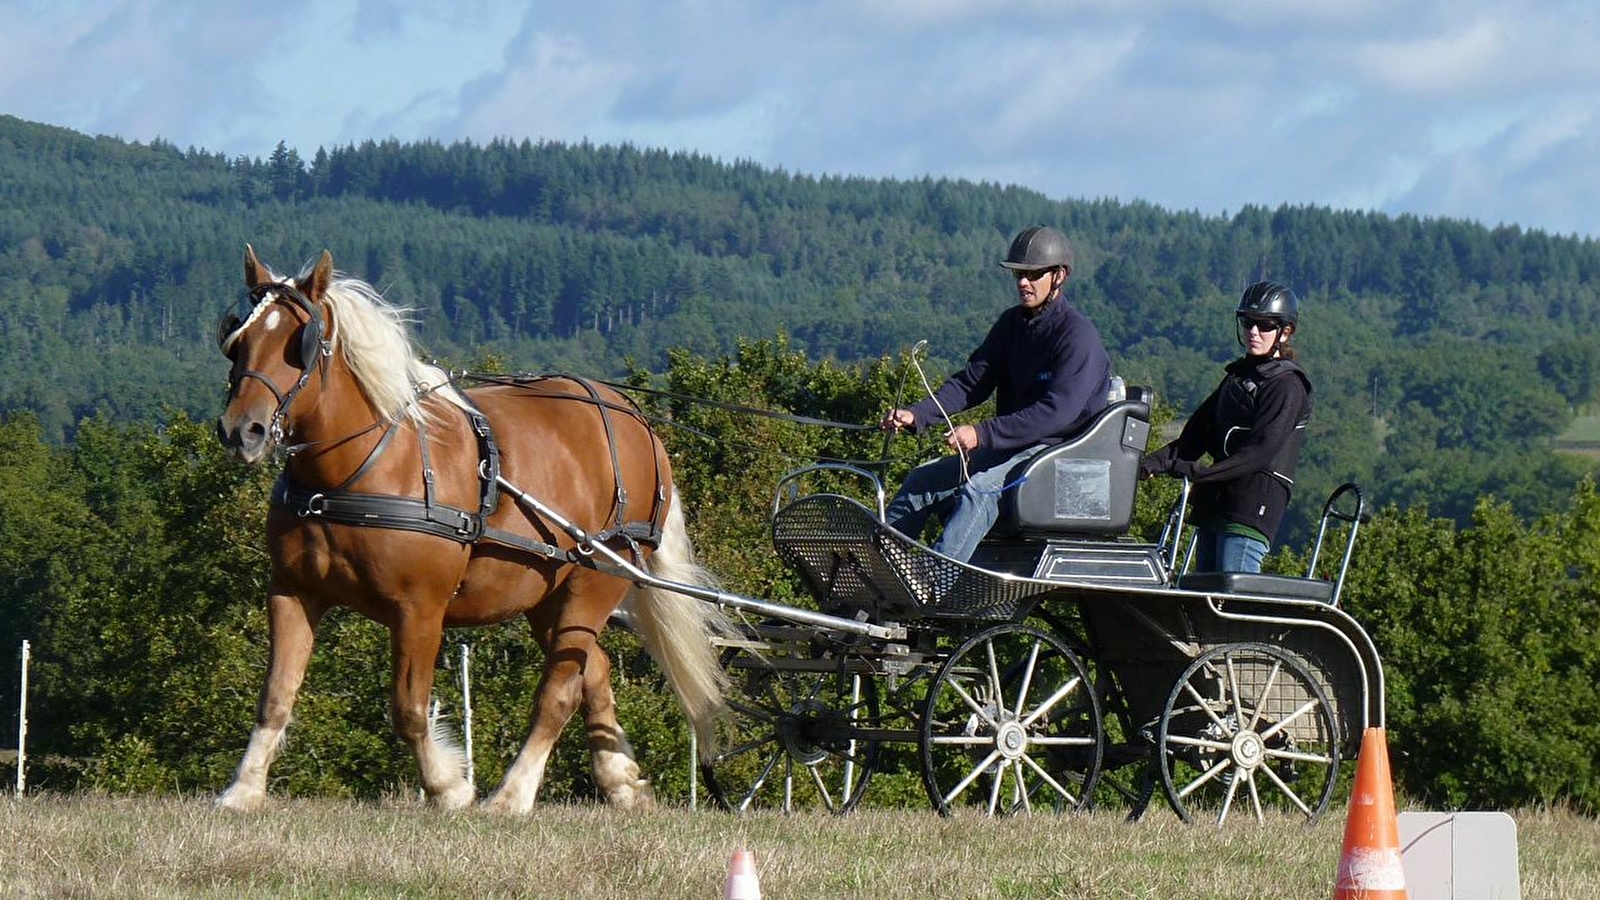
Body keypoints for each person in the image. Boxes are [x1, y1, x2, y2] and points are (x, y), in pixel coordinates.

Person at [880, 225, 1113, 563]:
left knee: (981, 489)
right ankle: (884, 573)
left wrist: (981, 433)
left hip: (1055, 455)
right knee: (921, 480)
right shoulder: (1011, 325)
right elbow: (971, 383)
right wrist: (918, 414)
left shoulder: (1078, 336)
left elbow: (1056, 413)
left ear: (1059, 276)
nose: (1022, 282)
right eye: (1019, 273)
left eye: (1033, 274)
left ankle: (932, 586)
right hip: (1013, 446)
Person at [1139, 281, 1312, 573]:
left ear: (1286, 331)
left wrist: (1198, 473)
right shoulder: (1238, 378)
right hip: (1215, 505)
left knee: (1231, 603)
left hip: (1250, 510)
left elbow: (1260, 452)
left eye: (1264, 325)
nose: (1253, 331)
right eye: (1247, 322)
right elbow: (1194, 438)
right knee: (1203, 600)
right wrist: (1144, 465)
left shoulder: (1287, 385)